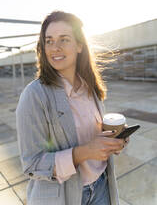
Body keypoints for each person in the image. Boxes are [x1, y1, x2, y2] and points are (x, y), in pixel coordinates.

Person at [16, 11, 129, 205]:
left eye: (64, 39)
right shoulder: (34, 95)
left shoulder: (89, 87)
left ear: (79, 45)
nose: (55, 48)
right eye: (49, 41)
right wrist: (85, 151)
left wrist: (113, 141)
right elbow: (32, 164)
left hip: (102, 187)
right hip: (65, 197)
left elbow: (93, 137)